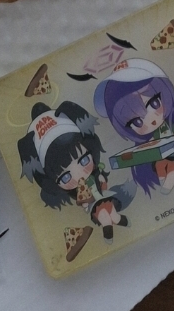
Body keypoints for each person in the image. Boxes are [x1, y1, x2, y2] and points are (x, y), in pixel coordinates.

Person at [17, 100, 134, 238]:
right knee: (103, 215)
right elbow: (83, 202)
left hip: (103, 197)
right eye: (65, 177)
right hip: (94, 206)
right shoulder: (74, 192)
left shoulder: (95, 174)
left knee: (110, 211)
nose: (79, 174)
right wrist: (85, 203)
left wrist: (102, 181)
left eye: (84, 160)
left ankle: (119, 220)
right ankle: (110, 229)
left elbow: (102, 182)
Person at [95, 58, 174, 196]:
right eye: (137, 122)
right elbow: (153, 143)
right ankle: (164, 181)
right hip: (161, 156)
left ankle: (169, 182)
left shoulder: (171, 126)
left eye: (154, 104)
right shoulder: (151, 137)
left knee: (173, 166)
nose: (150, 120)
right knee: (159, 165)